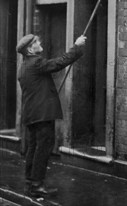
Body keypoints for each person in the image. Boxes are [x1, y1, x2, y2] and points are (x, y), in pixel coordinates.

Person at [17, 33, 87, 198]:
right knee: (42, 149)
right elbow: (60, 62)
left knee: (33, 149)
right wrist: (77, 46)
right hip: (42, 115)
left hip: (32, 114)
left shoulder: (24, 65)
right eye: (36, 42)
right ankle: (37, 186)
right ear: (30, 49)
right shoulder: (36, 63)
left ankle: (30, 183)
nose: (39, 42)